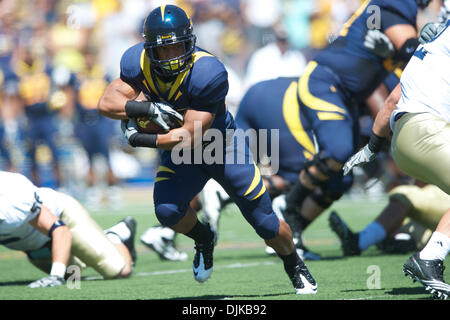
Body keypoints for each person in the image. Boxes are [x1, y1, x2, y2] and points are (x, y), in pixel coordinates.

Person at [98, 5, 317, 294]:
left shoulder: (208, 71)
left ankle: (293, 262)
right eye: (162, 50)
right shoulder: (136, 61)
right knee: (167, 211)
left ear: (189, 42)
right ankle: (204, 238)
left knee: (264, 223)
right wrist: (147, 107)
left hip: (220, 147)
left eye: (176, 47)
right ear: (148, 49)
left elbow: (188, 135)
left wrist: (140, 138)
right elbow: (105, 104)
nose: (170, 56)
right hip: (183, 154)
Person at [278, 0, 432, 252]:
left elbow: (407, 58)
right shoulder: (394, 5)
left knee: (341, 178)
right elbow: (410, 50)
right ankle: (289, 205)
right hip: (327, 82)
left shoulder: (393, 11)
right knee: (339, 151)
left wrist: (397, 56)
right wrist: (406, 52)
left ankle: (292, 232)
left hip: (348, 96)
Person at [342, 20, 450, 299]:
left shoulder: (427, 52)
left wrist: (372, 148)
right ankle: (429, 258)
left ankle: (430, 256)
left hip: (402, 142)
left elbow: (391, 101)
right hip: (429, 129)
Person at [0, 170, 137, 288]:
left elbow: (60, 230)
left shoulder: (12, 195)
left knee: (118, 270)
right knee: (73, 275)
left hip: (65, 221)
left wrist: (55, 276)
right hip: (35, 246)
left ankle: (114, 236)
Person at [72, 48, 121, 208]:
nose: (88, 60)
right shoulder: (77, 76)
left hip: (101, 119)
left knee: (107, 155)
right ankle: (92, 190)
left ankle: (113, 189)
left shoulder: (103, 74)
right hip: (84, 120)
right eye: (86, 57)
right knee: (89, 156)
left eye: (90, 56)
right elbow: (73, 97)